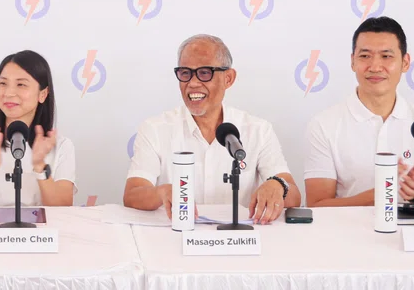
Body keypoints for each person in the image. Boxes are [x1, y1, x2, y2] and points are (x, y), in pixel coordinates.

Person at [123, 34, 300, 224]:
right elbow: (132, 195)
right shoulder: (154, 129)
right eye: (185, 73)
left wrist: (278, 185)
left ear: (229, 78)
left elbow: (294, 195)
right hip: (174, 239)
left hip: (239, 240)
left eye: (204, 72)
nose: (192, 83)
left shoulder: (258, 130)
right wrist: (161, 192)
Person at [304, 16, 414, 207]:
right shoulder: (324, 125)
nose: (375, 67)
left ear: (405, 63)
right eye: (365, 56)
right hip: (346, 233)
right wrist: (384, 191)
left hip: (409, 234)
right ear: (352, 62)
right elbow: (317, 206)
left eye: (386, 56)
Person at [0, 50, 75, 206]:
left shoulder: (61, 147)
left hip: (42, 231)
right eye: (3, 83)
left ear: (43, 94)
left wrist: (40, 166)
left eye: (21, 84)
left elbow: (64, 209)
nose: (9, 93)